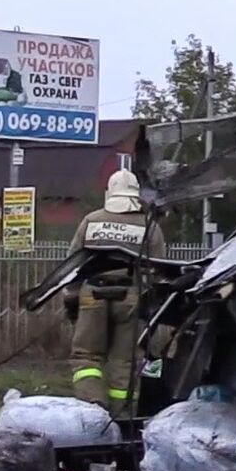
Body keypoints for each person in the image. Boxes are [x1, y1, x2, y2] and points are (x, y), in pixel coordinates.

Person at [65, 168, 166, 411]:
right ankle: (120, 417)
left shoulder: (91, 221)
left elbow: (73, 263)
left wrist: (71, 298)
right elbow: (159, 270)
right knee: (125, 360)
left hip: (92, 294)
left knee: (87, 357)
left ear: (109, 193)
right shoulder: (149, 226)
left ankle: (93, 408)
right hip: (130, 297)